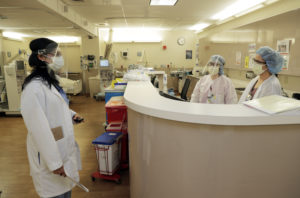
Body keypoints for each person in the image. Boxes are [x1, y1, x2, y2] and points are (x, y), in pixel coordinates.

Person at [21, 38, 83, 198]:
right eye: (55, 54)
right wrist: (55, 163)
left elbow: (56, 108)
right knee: (56, 193)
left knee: (65, 190)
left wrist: (71, 115)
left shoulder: (49, 82)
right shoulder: (33, 88)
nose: (58, 58)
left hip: (60, 147)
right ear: (41, 57)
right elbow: (39, 130)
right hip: (50, 159)